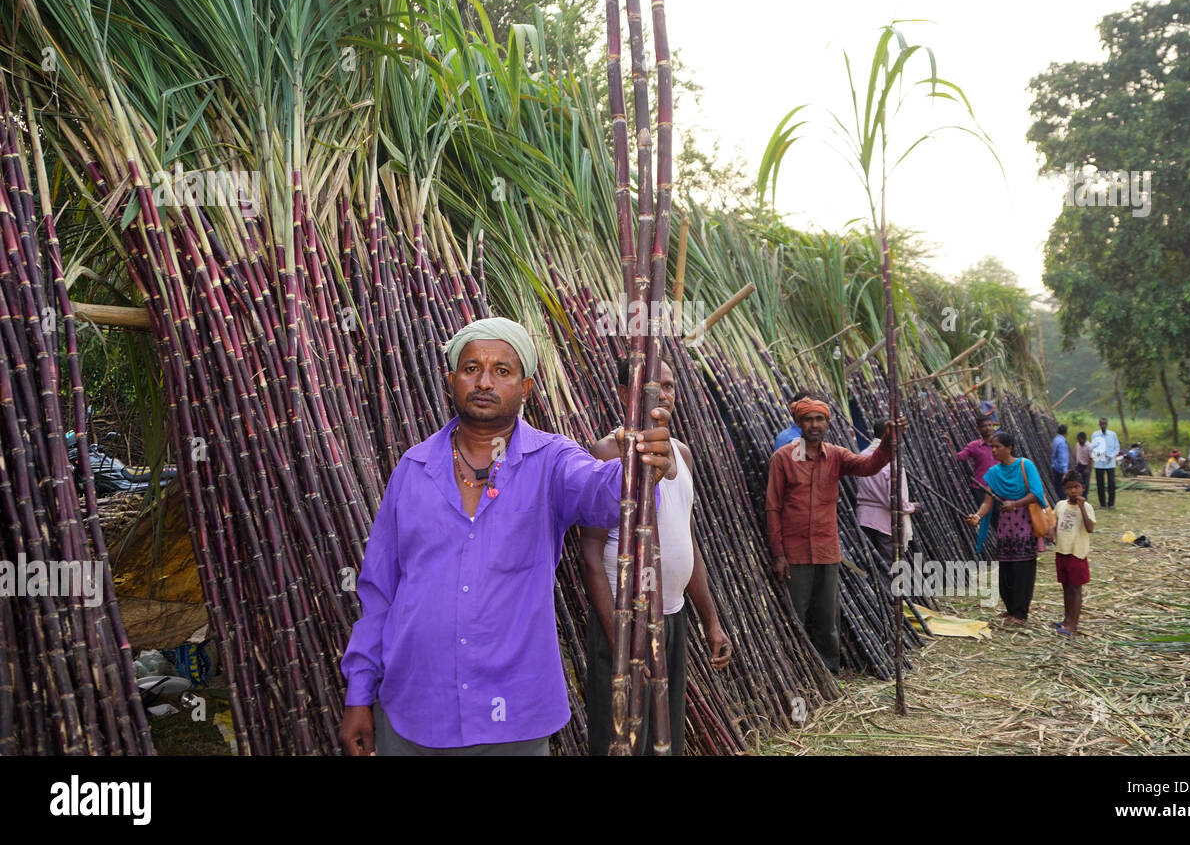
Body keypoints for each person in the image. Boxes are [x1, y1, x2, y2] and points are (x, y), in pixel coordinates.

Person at [338, 318, 674, 756]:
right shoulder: (412, 469)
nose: (484, 381)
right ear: (451, 380)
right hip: (412, 709)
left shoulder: (552, 461)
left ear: (526, 386)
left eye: (502, 370)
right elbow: (379, 591)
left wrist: (643, 468)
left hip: (513, 717)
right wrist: (359, 695)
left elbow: (606, 493)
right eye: (471, 368)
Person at [581, 358, 732, 756]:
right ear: (623, 394)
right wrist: (617, 637)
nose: (663, 393)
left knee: (663, 735)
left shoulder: (681, 453)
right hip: (624, 618)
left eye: (669, 384)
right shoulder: (607, 452)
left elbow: (687, 539)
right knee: (620, 738)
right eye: (653, 385)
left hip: (672, 616)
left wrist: (711, 622)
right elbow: (591, 554)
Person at [765, 397, 906, 672]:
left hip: (827, 550)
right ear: (799, 423)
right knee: (796, 615)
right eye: (808, 419)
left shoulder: (837, 456)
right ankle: (797, 671)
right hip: (794, 553)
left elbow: (869, 466)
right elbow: (773, 507)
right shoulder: (782, 459)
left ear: (827, 423)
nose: (814, 425)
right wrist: (778, 553)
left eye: (819, 419)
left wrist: (889, 441)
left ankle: (828, 670)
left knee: (827, 616)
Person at [965, 431, 1043, 626]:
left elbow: (1036, 493)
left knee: (1022, 570)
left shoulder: (1025, 466)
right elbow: (987, 502)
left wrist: (1015, 504)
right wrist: (977, 516)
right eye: (991, 446)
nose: (993, 450)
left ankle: (1020, 613)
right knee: (1006, 571)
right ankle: (1010, 609)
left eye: (997, 446)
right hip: (1005, 530)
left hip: (1024, 527)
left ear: (1009, 448)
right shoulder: (993, 473)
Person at [854, 418, 916, 564]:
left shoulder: (862, 455)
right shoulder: (893, 461)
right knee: (888, 564)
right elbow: (896, 501)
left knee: (869, 563)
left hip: (863, 517)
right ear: (888, 434)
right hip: (885, 521)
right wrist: (912, 507)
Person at [941, 417, 999, 550]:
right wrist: (949, 445)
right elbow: (959, 457)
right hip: (981, 487)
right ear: (979, 428)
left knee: (1000, 518)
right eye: (984, 426)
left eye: (990, 425)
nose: (988, 428)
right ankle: (988, 547)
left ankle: (1003, 546)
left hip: (1000, 488)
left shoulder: (1000, 445)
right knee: (984, 518)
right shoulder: (974, 446)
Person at [1051, 471, 1094, 636]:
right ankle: (1066, 620)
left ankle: (1073, 625)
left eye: (1076, 487)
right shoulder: (1061, 505)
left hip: (1077, 553)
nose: (1073, 491)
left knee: (1075, 589)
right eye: (1069, 488)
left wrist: (1082, 507)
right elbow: (1054, 522)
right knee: (1066, 588)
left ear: (1082, 488)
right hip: (1062, 551)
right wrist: (1050, 531)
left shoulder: (1087, 507)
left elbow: (1090, 528)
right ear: (1064, 490)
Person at [1089, 418, 1120, 509]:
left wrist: (1112, 455)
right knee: (1100, 483)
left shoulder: (1113, 435)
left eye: (1105, 424)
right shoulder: (1095, 435)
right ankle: (1102, 503)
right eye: (1101, 424)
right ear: (1099, 425)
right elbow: (1093, 448)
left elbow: (1117, 448)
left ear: (1107, 424)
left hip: (1110, 463)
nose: (1103, 426)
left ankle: (1111, 503)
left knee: (1111, 483)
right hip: (1099, 463)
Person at [1050, 423, 1070, 497]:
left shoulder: (1056, 440)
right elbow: (1062, 457)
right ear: (1065, 433)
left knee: (1057, 487)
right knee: (1062, 489)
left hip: (1055, 466)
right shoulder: (1062, 442)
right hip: (1060, 469)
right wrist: (1065, 470)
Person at [1074, 432, 1093, 500]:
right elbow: (1075, 453)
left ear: (1084, 439)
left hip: (1086, 466)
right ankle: (1078, 495)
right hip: (1079, 465)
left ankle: (1084, 497)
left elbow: (1091, 458)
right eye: (1078, 440)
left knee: (1085, 483)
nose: (1079, 441)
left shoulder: (1089, 446)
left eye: (1080, 440)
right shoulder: (1077, 445)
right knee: (1078, 481)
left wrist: (1088, 469)